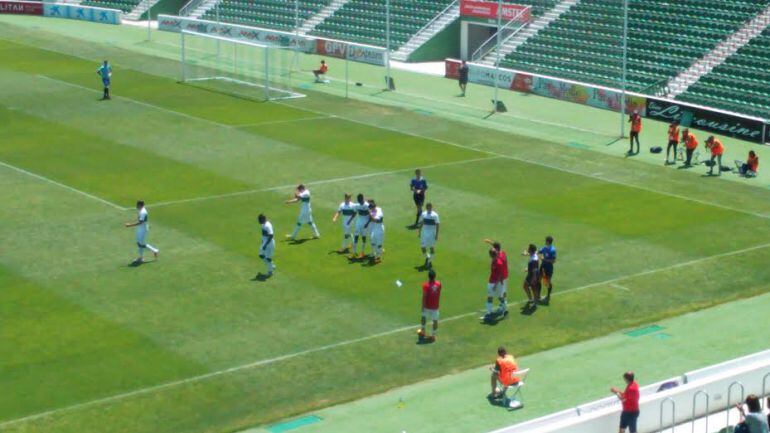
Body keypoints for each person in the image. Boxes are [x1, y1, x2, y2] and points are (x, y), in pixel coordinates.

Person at [482, 248, 507, 322]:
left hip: (495, 283)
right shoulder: (493, 261)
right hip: (491, 282)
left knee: (499, 297)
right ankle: (489, 312)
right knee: (490, 297)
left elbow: (500, 275)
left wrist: (496, 285)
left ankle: (504, 308)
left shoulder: (498, 263)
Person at [417, 269, 441, 343]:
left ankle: (423, 331)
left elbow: (424, 296)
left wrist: (422, 306)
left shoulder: (425, 285)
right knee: (435, 321)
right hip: (435, 306)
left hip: (427, 306)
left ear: (428, 276)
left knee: (423, 317)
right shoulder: (439, 284)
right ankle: (433, 335)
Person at [485, 239, 509, 306]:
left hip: (502, 276)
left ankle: (504, 304)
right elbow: (497, 248)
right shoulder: (503, 253)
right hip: (505, 274)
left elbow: (495, 256)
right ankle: (504, 303)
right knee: (503, 291)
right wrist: (490, 242)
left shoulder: (499, 257)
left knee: (501, 293)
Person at [417, 202, 440, 268]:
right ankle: (428, 257)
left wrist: (437, 235)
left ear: (431, 207)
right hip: (424, 233)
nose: (428, 208)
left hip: (432, 234)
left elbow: (438, 224)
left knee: (431, 247)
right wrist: (419, 231)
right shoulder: (423, 214)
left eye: (430, 207)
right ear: (426, 207)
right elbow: (421, 222)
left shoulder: (435, 215)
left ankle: (429, 261)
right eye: (427, 207)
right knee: (423, 247)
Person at [350, 193, 370, 259]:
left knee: (364, 238)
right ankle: (353, 253)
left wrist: (367, 223)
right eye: (358, 201)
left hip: (365, 224)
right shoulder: (357, 205)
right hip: (358, 223)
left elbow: (371, 215)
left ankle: (362, 252)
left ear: (363, 199)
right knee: (356, 236)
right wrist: (349, 220)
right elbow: (354, 213)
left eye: (360, 200)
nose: (359, 202)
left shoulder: (367, 205)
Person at [522, 243, 540, 310]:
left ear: (531, 250)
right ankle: (531, 299)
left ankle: (535, 302)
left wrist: (534, 278)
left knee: (533, 288)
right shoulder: (533, 254)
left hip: (533, 275)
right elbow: (531, 254)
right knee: (525, 286)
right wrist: (528, 269)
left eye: (529, 249)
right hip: (531, 273)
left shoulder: (534, 260)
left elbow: (535, 269)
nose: (527, 249)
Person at [538, 236, 556, 305]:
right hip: (542, 267)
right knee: (539, 280)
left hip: (548, 268)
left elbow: (553, 261)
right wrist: (530, 252)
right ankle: (538, 295)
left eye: (546, 240)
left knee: (547, 282)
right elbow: (539, 251)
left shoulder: (552, 250)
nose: (545, 241)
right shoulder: (545, 247)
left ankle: (548, 296)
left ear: (548, 241)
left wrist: (544, 259)